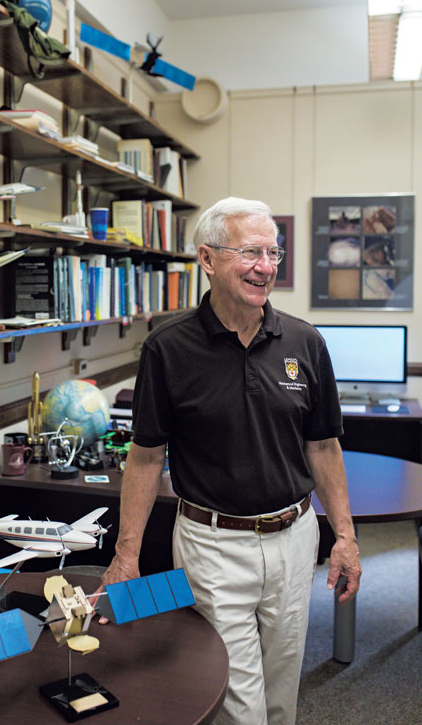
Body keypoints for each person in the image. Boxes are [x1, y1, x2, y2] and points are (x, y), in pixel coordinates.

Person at [99, 197, 361, 725]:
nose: (265, 267)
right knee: (239, 707)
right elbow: (146, 458)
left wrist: (346, 538)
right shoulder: (167, 350)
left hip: (295, 538)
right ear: (208, 259)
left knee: (283, 689)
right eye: (250, 252)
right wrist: (127, 555)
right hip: (212, 547)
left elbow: (323, 447)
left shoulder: (305, 343)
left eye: (273, 253)